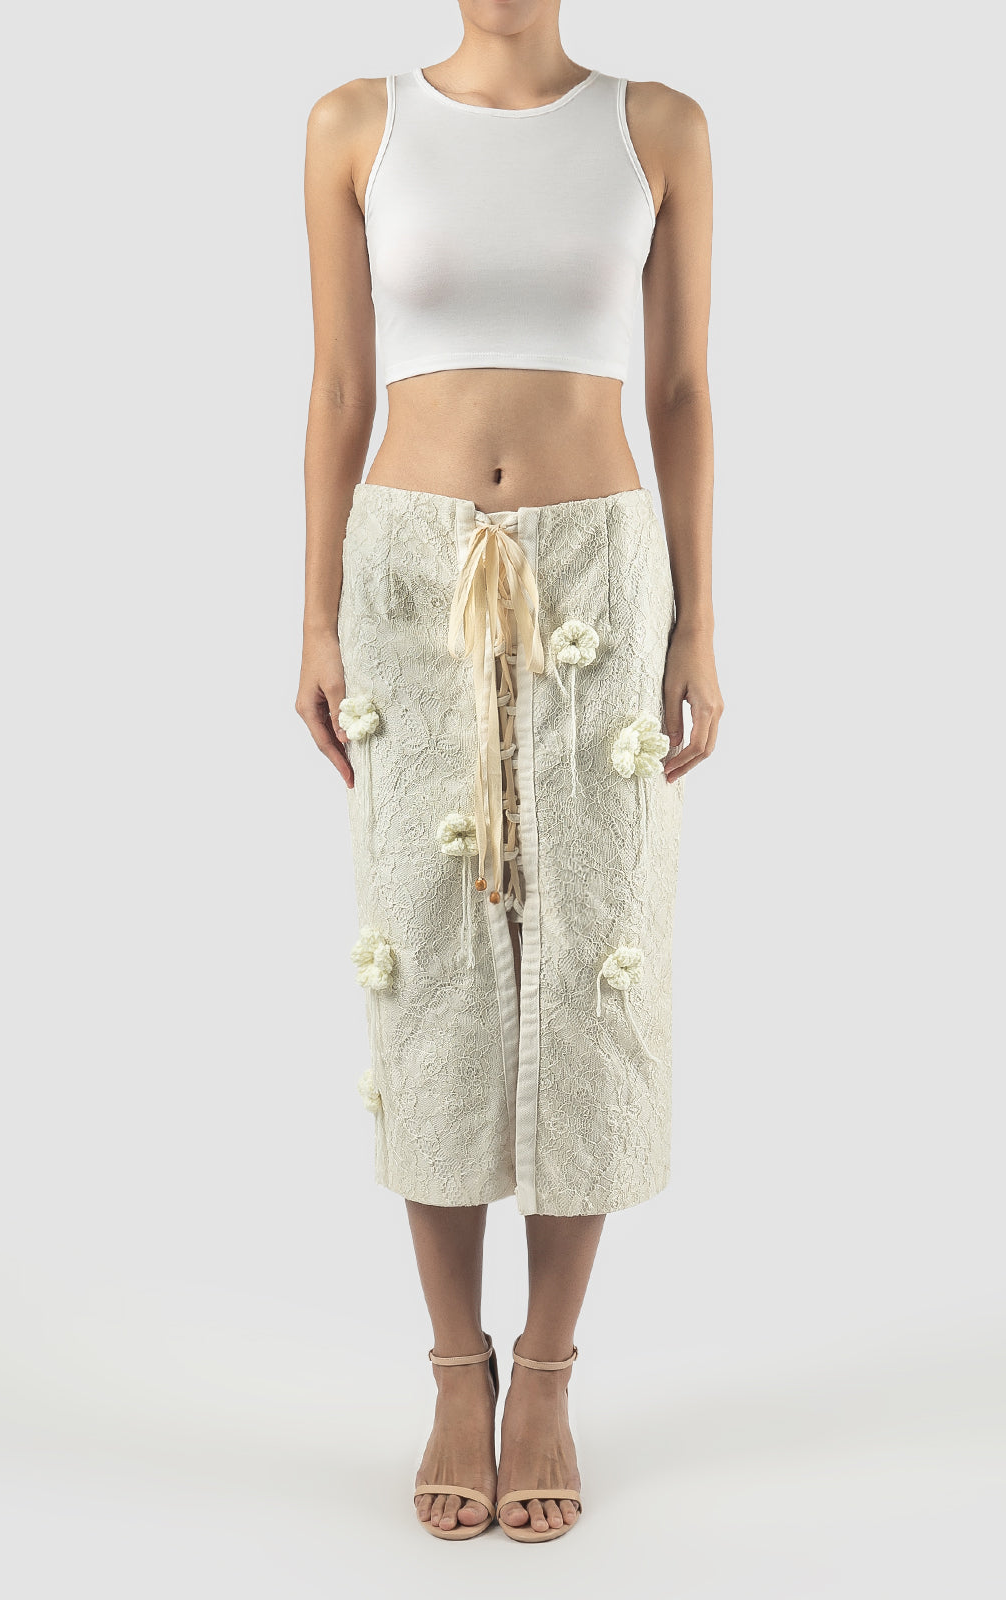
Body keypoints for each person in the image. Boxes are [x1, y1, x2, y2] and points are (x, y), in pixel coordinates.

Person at [296, 0, 720, 1544]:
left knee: (594, 963)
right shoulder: (356, 123)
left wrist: (700, 625)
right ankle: (451, 1369)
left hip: (602, 571)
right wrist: (314, 616)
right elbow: (340, 390)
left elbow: (681, 391)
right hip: (409, 578)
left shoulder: (657, 126)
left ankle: (544, 1369)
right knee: (432, 969)